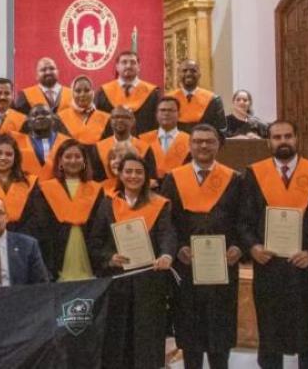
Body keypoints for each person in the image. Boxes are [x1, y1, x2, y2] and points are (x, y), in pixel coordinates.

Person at [239, 120, 308, 369]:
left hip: (305, 267)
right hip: (269, 265)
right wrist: (253, 247)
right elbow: (243, 220)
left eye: (287, 136)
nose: (283, 141)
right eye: (277, 137)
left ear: (296, 139)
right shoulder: (254, 174)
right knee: (270, 329)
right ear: (268, 141)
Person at [160, 124, 244, 369]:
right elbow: (166, 222)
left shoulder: (234, 179)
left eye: (209, 141)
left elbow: (244, 218)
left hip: (223, 266)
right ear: (190, 145)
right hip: (187, 268)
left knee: (221, 331)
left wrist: (239, 247)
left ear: (218, 145)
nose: (203, 146)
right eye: (198, 141)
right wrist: (177, 249)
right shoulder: (174, 179)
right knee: (190, 332)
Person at [87, 152, 177, 369]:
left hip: (149, 284)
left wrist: (166, 255)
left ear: (146, 176)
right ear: (120, 173)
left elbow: (167, 234)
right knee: (117, 340)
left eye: (139, 172)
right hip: (117, 282)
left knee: (147, 340)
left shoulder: (160, 204)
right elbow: (95, 241)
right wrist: (109, 258)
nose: (133, 176)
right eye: (128, 171)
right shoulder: (108, 204)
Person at [28, 139, 104, 282]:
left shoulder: (96, 189)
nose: (73, 160)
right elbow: (42, 226)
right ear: (60, 162)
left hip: (88, 251)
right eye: (68, 157)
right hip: (56, 252)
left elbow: (99, 226)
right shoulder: (45, 189)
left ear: (84, 161)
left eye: (77, 156)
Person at [94, 51, 159, 134]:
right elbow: (97, 123)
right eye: (124, 62)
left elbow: (157, 124)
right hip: (111, 144)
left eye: (133, 62)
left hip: (142, 144)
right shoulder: (103, 93)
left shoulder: (152, 93)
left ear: (139, 67)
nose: (128, 66)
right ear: (117, 67)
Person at [93, 106, 154, 181]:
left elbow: (151, 178)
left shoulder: (144, 148)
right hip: (106, 191)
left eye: (125, 117)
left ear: (133, 121)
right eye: (116, 117)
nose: (120, 120)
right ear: (110, 121)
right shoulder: (98, 148)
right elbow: (95, 178)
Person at [167, 59, 226, 134]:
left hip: (204, 143)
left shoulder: (213, 100)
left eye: (193, 71)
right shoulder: (168, 100)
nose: (188, 74)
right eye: (184, 71)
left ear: (199, 74)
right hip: (176, 144)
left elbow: (221, 129)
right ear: (178, 75)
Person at [11, 104, 69, 180]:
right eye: (35, 115)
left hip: (58, 188)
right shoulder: (17, 143)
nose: (40, 117)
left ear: (53, 120)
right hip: (28, 188)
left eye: (45, 114)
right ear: (28, 123)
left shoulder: (67, 142)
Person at [140, 96, 191, 180]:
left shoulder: (189, 141)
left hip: (179, 186)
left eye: (171, 110)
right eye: (162, 110)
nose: (166, 113)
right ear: (156, 114)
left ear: (179, 114)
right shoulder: (143, 140)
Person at [57, 75, 111, 146]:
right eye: (78, 91)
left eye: (87, 90)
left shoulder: (106, 119)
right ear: (72, 93)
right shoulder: (59, 118)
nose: (82, 94)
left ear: (93, 92)